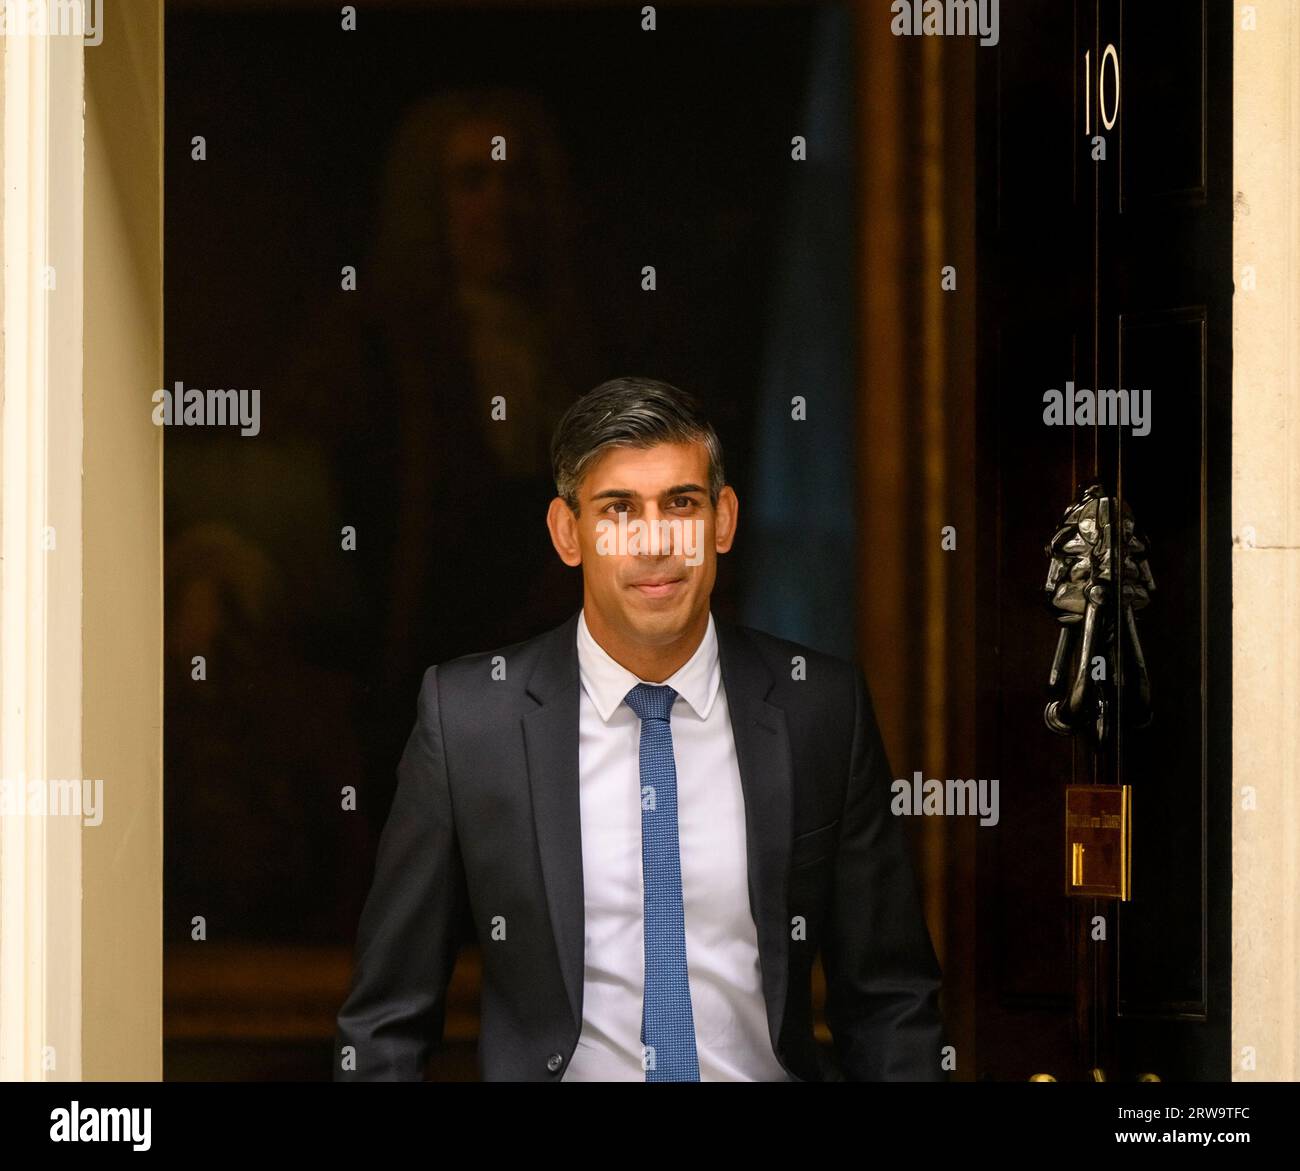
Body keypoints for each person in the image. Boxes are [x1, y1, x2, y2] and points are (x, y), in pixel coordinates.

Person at [333, 375, 946, 1081]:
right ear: (569, 533)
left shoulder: (819, 709)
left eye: (681, 505)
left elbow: (890, 1000)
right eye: (618, 509)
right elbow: (384, 1022)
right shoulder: (472, 719)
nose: (654, 542)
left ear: (723, 520)